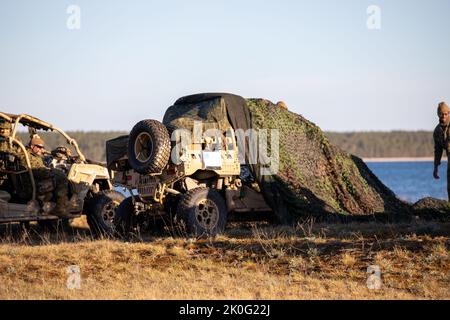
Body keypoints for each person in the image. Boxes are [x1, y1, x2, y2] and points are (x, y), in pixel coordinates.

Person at [23, 135, 71, 216]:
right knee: (61, 177)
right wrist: (52, 171)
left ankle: (50, 206)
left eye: (42, 148)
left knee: (58, 176)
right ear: (32, 146)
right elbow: (37, 171)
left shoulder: (32, 155)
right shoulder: (28, 157)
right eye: (39, 147)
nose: (41, 150)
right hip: (32, 185)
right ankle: (60, 208)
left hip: (33, 182)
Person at [433, 101, 450, 200]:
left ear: (449, 113)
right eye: (441, 114)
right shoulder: (437, 131)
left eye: (445, 114)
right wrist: (435, 168)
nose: (443, 116)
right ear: (438, 114)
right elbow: (438, 150)